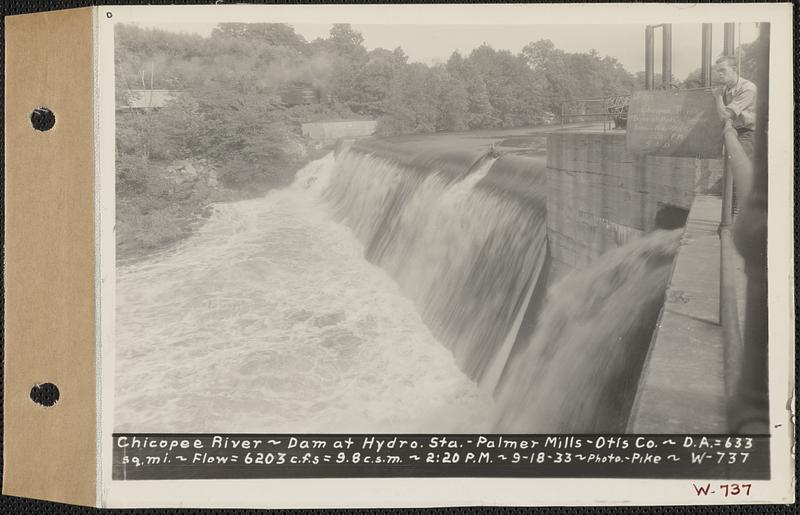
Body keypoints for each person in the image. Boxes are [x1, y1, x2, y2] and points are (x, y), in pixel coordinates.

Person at [713, 55, 757, 159]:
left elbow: (725, 116)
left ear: (734, 69)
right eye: (718, 71)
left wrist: (718, 96)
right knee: (730, 169)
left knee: (742, 170)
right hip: (732, 131)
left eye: (723, 70)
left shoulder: (747, 88)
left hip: (747, 134)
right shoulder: (726, 87)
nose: (719, 74)